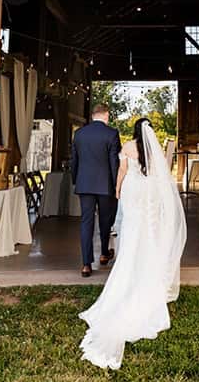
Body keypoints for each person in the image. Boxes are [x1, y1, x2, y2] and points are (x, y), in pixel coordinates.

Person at [78, 117, 187, 370]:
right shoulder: (152, 149)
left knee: (130, 231)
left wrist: (117, 190)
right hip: (149, 193)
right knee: (149, 232)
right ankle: (150, 271)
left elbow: (123, 172)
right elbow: (162, 175)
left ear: (135, 130)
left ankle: (127, 267)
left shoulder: (127, 147)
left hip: (133, 192)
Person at [70, 103, 121, 277]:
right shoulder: (112, 134)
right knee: (105, 221)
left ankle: (86, 264)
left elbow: (74, 161)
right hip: (105, 185)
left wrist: (76, 180)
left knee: (86, 222)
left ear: (92, 116)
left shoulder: (79, 134)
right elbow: (114, 163)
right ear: (106, 116)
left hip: (84, 184)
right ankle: (104, 254)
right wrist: (117, 186)